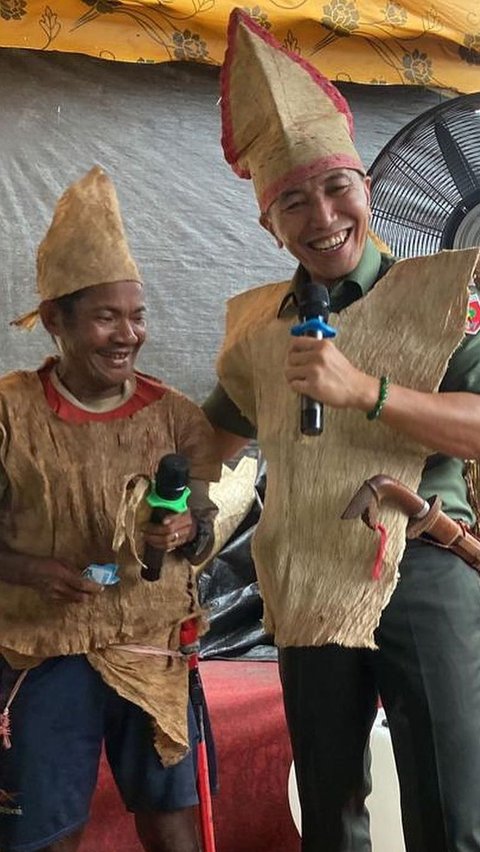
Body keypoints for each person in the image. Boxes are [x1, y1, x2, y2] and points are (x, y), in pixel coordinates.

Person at [203, 9, 480, 852]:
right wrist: (166, 503)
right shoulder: (255, 325)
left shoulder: (442, 296)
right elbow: (210, 440)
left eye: (335, 187)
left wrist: (364, 388)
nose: (321, 215)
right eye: (292, 199)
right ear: (268, 222)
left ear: (366, 185)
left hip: (422, 561)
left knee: (450, 810)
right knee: (329, 808)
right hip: (307, 576)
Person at [0, 166, 220, 852]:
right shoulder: (10, 412)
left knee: (174, 830)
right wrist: (30, 568)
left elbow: (208, 519)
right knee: (44, 835)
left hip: (154, 649)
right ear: (57, 321)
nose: (128, 334)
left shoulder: (177, 418)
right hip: (43, 652)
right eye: (105, 316)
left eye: (137, 315)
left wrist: (190, 529)